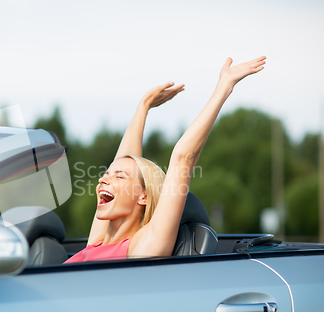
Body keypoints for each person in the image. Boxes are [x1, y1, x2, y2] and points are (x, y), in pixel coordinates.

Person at [64, 56, 266, 264]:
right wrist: (143, 107)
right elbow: (123, 159)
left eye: (119, 177)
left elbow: (183, 158)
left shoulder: (141, 248)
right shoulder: (96, 243)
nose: (103, 180)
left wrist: (224, 85)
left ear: (143, 196)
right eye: (106, 175)